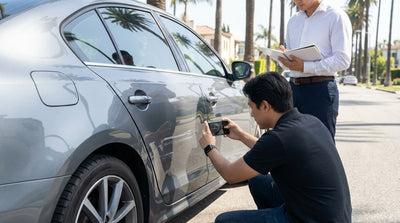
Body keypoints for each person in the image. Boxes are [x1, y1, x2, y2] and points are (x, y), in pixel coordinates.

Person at [199, 72, 351, 223]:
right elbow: (272, 151)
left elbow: (230, 175)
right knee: (258, 179)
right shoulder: (310, 121)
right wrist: (240, 135)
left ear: (265, 106)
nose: (251, 114)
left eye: (252, 107)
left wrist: (209, 147)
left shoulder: (279, 137)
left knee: (224, 221)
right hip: (334, 216)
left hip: (309, 219)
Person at [278, 0, 352, 139]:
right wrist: (284, 58)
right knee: (292, 145)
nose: (296, 0)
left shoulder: (336, 16)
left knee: (321, 147)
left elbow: (342, 60)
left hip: (320, 91)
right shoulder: (293, 21)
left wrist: (305, 67)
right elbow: (291, 60)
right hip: (293, 90)